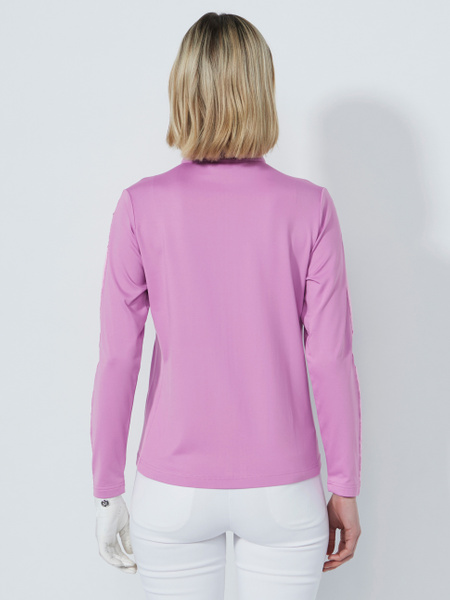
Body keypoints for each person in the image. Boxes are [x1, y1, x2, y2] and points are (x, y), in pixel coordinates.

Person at [90, 11, 362, 600]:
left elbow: (117, 357)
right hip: (283, 490)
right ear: (261, 89)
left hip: (172, 489)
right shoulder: (310, 207)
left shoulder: (140, 205)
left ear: (182, 90)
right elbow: (330, 357)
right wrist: (344, 483)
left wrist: (108, 490)